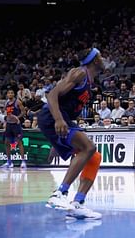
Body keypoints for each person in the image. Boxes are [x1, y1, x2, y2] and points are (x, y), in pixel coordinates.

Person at [37, 47, 105, 220]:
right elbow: (52, 95)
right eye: (100, 56)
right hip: (52, 116)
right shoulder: (79, 73)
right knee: (88, 147)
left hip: (62, 118)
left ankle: (77, 204)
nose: (103, 58)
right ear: (95, 60)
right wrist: (59, 120)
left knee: (94, 156)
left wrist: (57, 141)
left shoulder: (89, 83)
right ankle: (59, 194)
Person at [0, 89, 27, 169]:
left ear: (14, 94)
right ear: (7, 95)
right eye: (9, 93)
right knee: (7, 143)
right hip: (9, 125)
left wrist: (17, 118)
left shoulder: (18, 102)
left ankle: (23, 162)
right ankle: (9, 162)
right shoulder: (7, 103)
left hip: (16, 125)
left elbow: (23, 112)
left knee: (19, 143)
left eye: (12, 93)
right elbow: (8, 115)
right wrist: (5, 123)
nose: (10, 94)